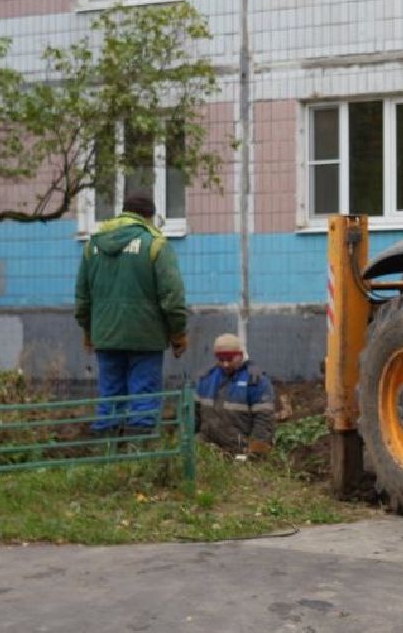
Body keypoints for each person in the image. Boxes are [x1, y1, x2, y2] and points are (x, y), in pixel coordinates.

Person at [75, 190, 188, 433]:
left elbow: (82, 298)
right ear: (149, 217)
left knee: (110, 396)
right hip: (146, 336)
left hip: (105, 335)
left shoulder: (92, 245)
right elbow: (173, 297)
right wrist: (178, 333)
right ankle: (139, 455)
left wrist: (88, 331)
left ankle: (106, 456)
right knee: (144, 397)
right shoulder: (155, 244)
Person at [196, 333, 277, 455]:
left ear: (241, 355)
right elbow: (193, 415)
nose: (225, 364)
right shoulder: (206, 378)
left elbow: (264, 420)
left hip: (240, 451)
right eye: (221, 360)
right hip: (207, 449)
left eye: (230, 359)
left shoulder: (256, 381)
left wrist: (255, 452)